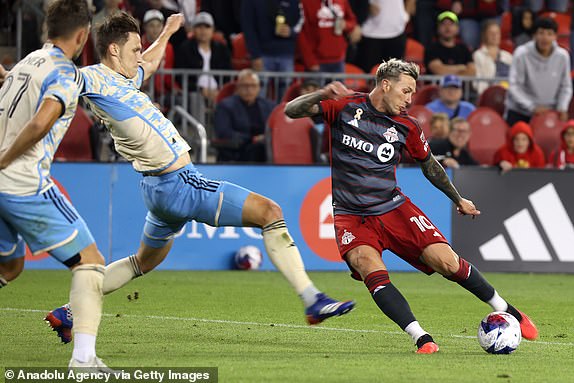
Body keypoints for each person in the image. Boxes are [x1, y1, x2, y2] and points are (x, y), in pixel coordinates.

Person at [45, 12, 354, 342]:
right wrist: (15, 76)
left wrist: (167, 32)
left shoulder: (124, 79)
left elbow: (148, 64)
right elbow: (57, 78)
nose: (140, 54)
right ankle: (312, 300)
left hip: (158, 188)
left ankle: (69, 312)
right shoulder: (91, 78)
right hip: (180, 183)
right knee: (270, 213)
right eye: (134, 48)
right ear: (112, 50)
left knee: (141, 263)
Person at [284, 58, 538, 353]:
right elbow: (292, 110)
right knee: (368, 266)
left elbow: (430, 165)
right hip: (351, 217)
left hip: (393, 208)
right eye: (406, 91)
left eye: (413, 93)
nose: (409, 99)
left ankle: (511, 312)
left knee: (445, 261)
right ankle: (421, 337)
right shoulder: (343, 107)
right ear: (386, 84)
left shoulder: (407, 126)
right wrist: (322, 94)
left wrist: (458, 199)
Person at [0, 0, 111, 370]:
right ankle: (83, 359)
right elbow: (40, 123)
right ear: (82, 36)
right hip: (23, 182)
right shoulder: (65, 73)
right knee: (91, 264)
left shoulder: (26, 62)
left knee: (10, 267)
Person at [505, 17, 572, 126]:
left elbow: (566, 86)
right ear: (534, 35)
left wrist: (562, 108)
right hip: (520, 112)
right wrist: (532, 107)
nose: (545, 38)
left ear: (555, 36)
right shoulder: (521, 53)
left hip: (550, 112)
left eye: (549, 34)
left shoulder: (563, 56)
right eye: (541, 33)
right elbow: (514, 86)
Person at [214, 69, 275, 162]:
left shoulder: (268, 106)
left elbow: (275, 128)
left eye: (253, 86)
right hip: (239, 149)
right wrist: (251, 139)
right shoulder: (225, 106)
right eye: (245, 86)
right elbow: (223, 132)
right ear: (238, 87)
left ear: (259, 88)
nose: (249, 90)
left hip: (265, 146)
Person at [298, 0, 361, 73]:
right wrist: (310, 61)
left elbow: (352, 21)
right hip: (317, 62)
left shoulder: (342, 1)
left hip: (339, 60)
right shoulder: (306, 2)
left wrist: (346, 25)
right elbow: (301, 34)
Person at [424, 11, 476, 76]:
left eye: (451, 24)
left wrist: (448, 70)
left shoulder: (464, 49)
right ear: (437, 28)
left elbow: (472, 71)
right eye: (443, 24)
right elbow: (439, 70)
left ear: (457, 29)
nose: (447, 27)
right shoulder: (432, 48)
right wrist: (461, 68)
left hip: (461, 86)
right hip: (439, 86)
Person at [472, 20, 513, 95]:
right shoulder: (478, 55)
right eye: (491, 33)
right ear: (484, 35)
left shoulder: (508, 56)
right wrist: (487, 94)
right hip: (487, 95)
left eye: (497, 33)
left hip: (507, 94)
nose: (494, 36)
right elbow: (478, 80)